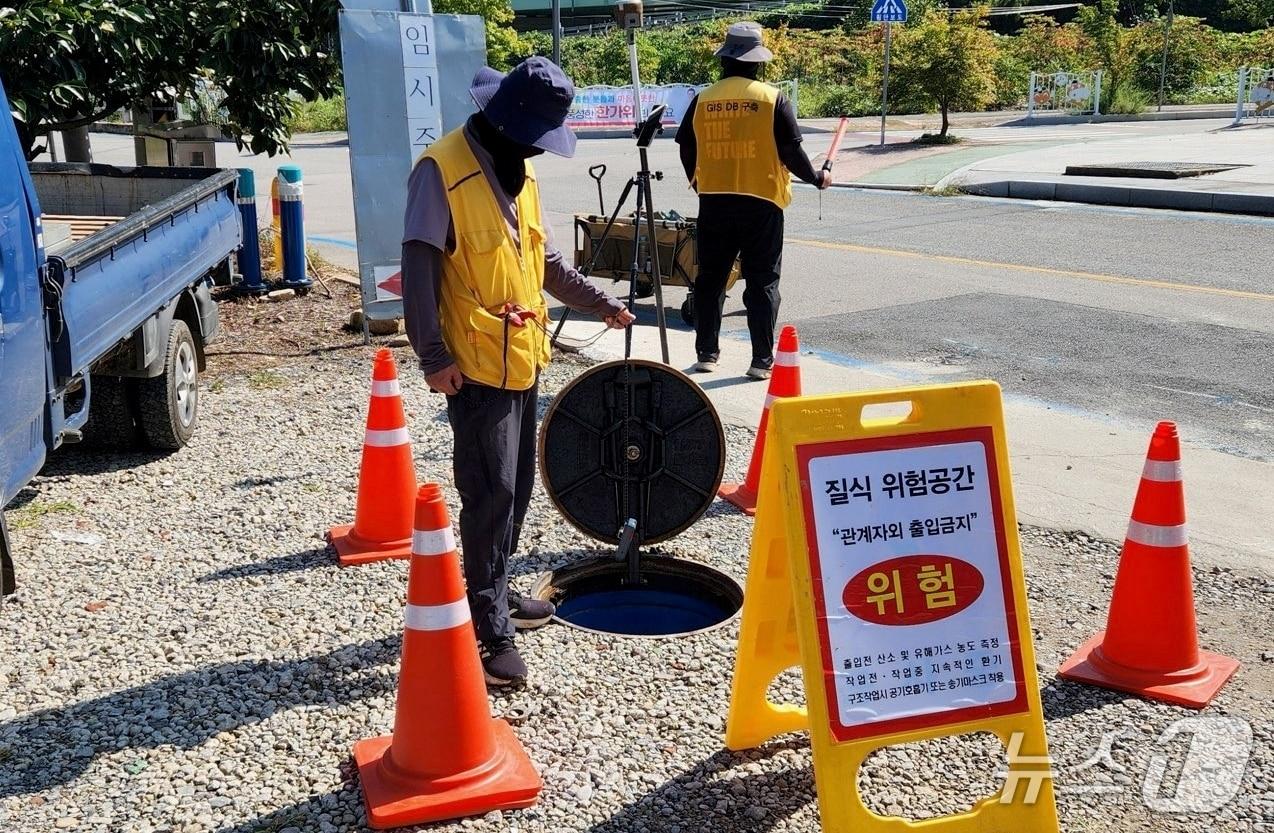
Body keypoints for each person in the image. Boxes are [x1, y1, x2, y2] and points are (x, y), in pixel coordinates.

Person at [401, 58, 635, 686]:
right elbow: (418, 269)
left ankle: (497, 598)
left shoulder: (518, 173)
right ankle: (489, 631)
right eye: (536, 136)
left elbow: (547, 265)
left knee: (518, 487)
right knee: (490, 492)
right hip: (473, 366)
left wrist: (603, 303)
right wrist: (433, 355)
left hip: (522, 356)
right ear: (508, 121)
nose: (538, 149)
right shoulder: (440, 171)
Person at [676, 21, 831, 380]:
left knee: (711, 280)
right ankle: (761, 360)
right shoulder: (771, 99)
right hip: (761, 201)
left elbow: (686, 145)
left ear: (725, 60)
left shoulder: (704, 99)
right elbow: (791, 150)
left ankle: (707, 354)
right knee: (762, 282)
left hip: (714, 201)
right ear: (757, 62)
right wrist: (816, 178)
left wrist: (699, 182)